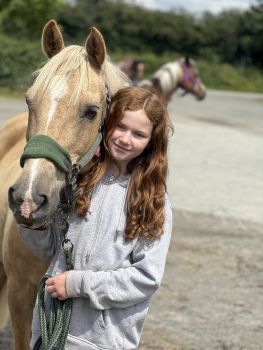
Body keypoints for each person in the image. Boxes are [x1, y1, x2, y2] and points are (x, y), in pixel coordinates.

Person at [19, 86, 173, 349]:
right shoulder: (77, 183)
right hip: (51, 330)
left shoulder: (153, 202)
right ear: (107, 124)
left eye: (138, 134)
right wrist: (31, 221)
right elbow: (47, 248)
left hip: (102, 341)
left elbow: (146, 279)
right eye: (120, 127)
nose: (125, 139)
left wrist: (78, 284)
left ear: (151, 142)